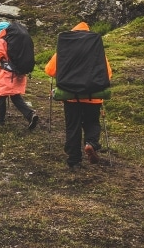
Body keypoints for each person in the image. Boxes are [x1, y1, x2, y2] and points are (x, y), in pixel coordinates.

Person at [44, 21, 113, 169]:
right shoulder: (96, 50)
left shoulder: (65, 49)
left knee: (72, 126)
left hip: (71, 96)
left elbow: (49, 70)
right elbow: (108, 73)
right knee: (92, 123)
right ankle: (91, 143)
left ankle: (74, 160)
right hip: (93, 96)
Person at [0, 22, 39, 129]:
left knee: (1, 95)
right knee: (15, 95)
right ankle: (30, 115)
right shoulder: (19, 40)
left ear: (1, 31)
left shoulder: (2, 41)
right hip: (19, 72)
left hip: (7, 75)